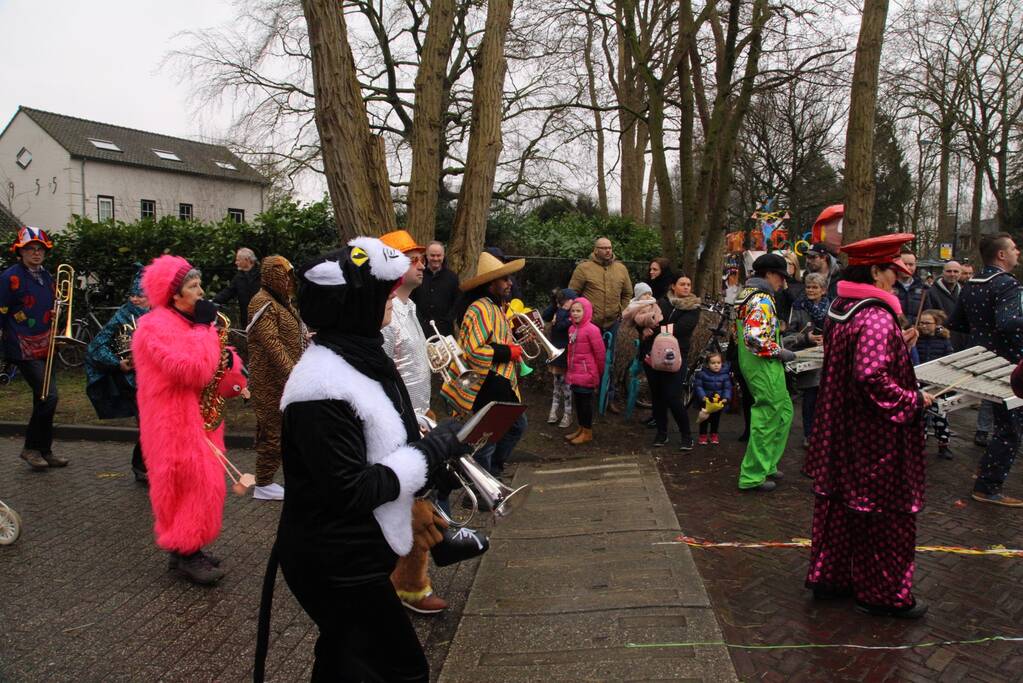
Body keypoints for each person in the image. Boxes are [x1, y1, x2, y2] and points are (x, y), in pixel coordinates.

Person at [264, 238, 471, 681]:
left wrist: (437, 458)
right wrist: (428, 453)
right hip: (332, 561)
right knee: (402, 670)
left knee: (346, 662)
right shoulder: (318, 387)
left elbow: (379, 440)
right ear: (354, 305)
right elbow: (348, 489)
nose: (392, 301)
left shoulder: (358, 356)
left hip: (356, 552)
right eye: (382, 294)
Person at [804, 233, 932, 618]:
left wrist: (900, 342)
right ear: (875, 272)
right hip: (874, 440)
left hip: (842, 432)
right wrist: (914, 400)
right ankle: (883, 594)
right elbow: (871, 378)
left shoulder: (844, 307)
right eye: (891, 271)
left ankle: (832, 578)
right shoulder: (875, 316)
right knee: (883, 517)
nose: (898, 278)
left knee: (840, 508)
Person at [132, 255, 243, 584]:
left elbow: (219, 369)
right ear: (173, 294)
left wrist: (228, 359)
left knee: (207, 485)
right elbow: (192, 369)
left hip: (201, 419)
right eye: (193, 286)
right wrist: (203, 329)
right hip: (172, 423)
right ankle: (185, 552)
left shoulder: (192, 322)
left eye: (199, 284)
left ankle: (188, 549)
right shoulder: (154, 327)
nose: (201, 292)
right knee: (186, 485)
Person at [379, 230, 452, 615]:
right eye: (413, 259)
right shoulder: (386, 312)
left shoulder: (407, 307)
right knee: (412, 505)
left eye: (423, 258)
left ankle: (405, 579)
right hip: (399, 424)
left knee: (418, 502)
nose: (422, 265)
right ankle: (410, 586)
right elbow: (383, 374)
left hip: (419, 415)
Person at [948, 233, 1023, 506]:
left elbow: (957, 322)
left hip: (981, 361)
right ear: (1001, 255)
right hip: (1007, 366)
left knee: (1003, 425)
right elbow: (1008, 322)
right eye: (1014, 248)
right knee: (1010, 430)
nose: (1018, 252)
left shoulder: (973, 283)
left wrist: (982, 338)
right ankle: (988, 486)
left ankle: (986, 470)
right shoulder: (1007, 285)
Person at [442, 252, 527, 477]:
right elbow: (474, 350)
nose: (510, 283)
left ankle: (492, 475)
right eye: (505, 279)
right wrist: (509, 351)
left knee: (514, 428)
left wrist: (515, 339)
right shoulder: (479, 308)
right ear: (491, 283)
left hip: (500, 380)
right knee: (489, 437)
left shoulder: (495, 306)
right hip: (488, 382)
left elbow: (496, 339)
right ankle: (482, 484)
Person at [1, 227, 66, 471]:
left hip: (45, 342)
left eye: (40, 249)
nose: (36, 253)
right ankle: (30, 448)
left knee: (43, 398)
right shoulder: (10, 277)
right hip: (20, 343)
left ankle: (44, 449)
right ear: (20, 251)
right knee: (49, 396)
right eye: (30, 249)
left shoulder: (47, 277)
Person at [734, 253, 795, 491]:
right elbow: (754, 337)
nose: (783, 282)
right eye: (781, 277)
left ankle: (767, 464)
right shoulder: (761, 300)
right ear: (769, 275)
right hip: (764, 365)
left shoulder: (745, 295)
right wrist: (779, 351)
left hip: (754, 363)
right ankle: (752, 475)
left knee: (784, 412)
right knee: (768, 417)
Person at [246, 255, 304, 502]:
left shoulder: (281, 302)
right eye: (285, 275)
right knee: (272, 431)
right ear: (272, 275)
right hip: (270, 380)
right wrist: (294, 374)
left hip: (285, 380)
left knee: (287, 431)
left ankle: (275, 479)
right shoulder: (262, 302)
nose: (289, 280)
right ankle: (264, 482)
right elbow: (271, 343)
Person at [84, 267, 149, 480]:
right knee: (148, 422)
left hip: (159, 379)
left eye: (140, 295)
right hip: (134, 382)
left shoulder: (165, 313)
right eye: (132, 295)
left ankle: (146, 464)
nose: (135, 299)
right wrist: (118, 363)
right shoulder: (123, 315)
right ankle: (142, 467)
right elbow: (96, 347)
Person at [568, 237, 633, 411]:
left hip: (612, 323)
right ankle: (585, 396)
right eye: (603, 248)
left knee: (609, 362)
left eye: (609, 248)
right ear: (595, 250)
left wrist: (622, 310)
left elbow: (627, 293)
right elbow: (573, 294)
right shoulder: (584, 269)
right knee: (586, 362)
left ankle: (608, 398)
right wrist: (579, 316)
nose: (607, 251)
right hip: (590, 325)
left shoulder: (621, 269)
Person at [643, 274, 700, 450]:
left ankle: (686, 435)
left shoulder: (693, 307)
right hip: (653, 354)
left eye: (689, 284)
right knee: (658, 396)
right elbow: (645, 318)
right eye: (682, 284)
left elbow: (681, 329)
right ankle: (661, 433)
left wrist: (653, 327)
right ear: (673, 286)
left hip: (676, 356)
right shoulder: (662, 302)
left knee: (673, 397)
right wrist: (645, 326)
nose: (686, 287)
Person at [785, 272, 829, 447]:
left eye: (815, 287)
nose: (810, 290)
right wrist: (806, 338)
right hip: (809, 361)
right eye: (808, 287)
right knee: (810, 400)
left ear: (823, 290)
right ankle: (809, 434)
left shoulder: (832, 308)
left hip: (828, 359)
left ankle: (824, 434)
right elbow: (787, 336)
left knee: (826, 401)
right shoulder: (798, 307)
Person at [563, 297, 604, 445]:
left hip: (587, 374)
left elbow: (600, 354)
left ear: (586, 312)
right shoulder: (572, 329)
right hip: (575, 373)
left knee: (585, 405)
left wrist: (597, 374)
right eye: (573, 310)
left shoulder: (592, 330)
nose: (575, 313)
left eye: (579, 311)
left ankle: (588, 432)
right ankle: (581, 428)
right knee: (578, 403)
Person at [916, 309, 955, 460]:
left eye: (927, 323)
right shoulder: (917, 339)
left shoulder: (944, 340)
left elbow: (948, 360)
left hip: (938, 384)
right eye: (921, 323)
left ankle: (943, 446)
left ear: (936, 324)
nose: (923, 326)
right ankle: (920, 445)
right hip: (920, 382)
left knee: (941, 416)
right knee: (920, 416)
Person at [541, 288, 576, 428]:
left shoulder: (571, 314)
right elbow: (545, 316)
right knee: (557, 384)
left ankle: (568, 413)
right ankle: (553, 411)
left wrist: (561, 311)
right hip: (556, 353)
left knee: (567, 386)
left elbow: (561, 325)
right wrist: (555, 305)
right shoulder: (558, 310)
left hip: (567, 353)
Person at [411, 240, 460, 337]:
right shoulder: (417, 275)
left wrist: (448, 319)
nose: (436, 258)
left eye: (439, 255)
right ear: (427, 256)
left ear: (443, 256)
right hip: (419, 330)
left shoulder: (452, 277)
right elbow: (411, 300)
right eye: (432, 255)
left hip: (444, 331)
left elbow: (457, 301)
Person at [213, 247, 261, 328]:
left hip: (264, 318)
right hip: (247, 320)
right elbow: (228, 292)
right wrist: (213, 301)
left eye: (238, 260)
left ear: (247, 260)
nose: (236, 262)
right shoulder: (239, 277)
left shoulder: (263, 274)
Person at [921, 260, 963, 349]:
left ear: (960, 274)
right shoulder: (931, 293)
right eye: (949, 271)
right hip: (939, 343)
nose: (952, 274)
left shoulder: (964, 293)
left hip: (960, 341)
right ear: (943, 273)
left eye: (956, 271)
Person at [692, 351, 731, 445]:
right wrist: (702, 396)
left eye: (718, 363)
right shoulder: (702, 374)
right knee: (704, 419)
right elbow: (698, 386)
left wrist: (726, 397)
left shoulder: (725, 376)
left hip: (718, 402)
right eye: (713, 363)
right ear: (707, 364)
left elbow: (727, 388)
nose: (716, 365)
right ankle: (703, 435)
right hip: (706, 401)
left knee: (715, 419)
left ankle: (714, 434)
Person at [894, 249, 927, 324]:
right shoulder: (887, 287)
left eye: (911, 264)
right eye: (904, 264)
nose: (907, 267)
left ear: (915, 266)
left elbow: (928, 313)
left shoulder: (924, 288)